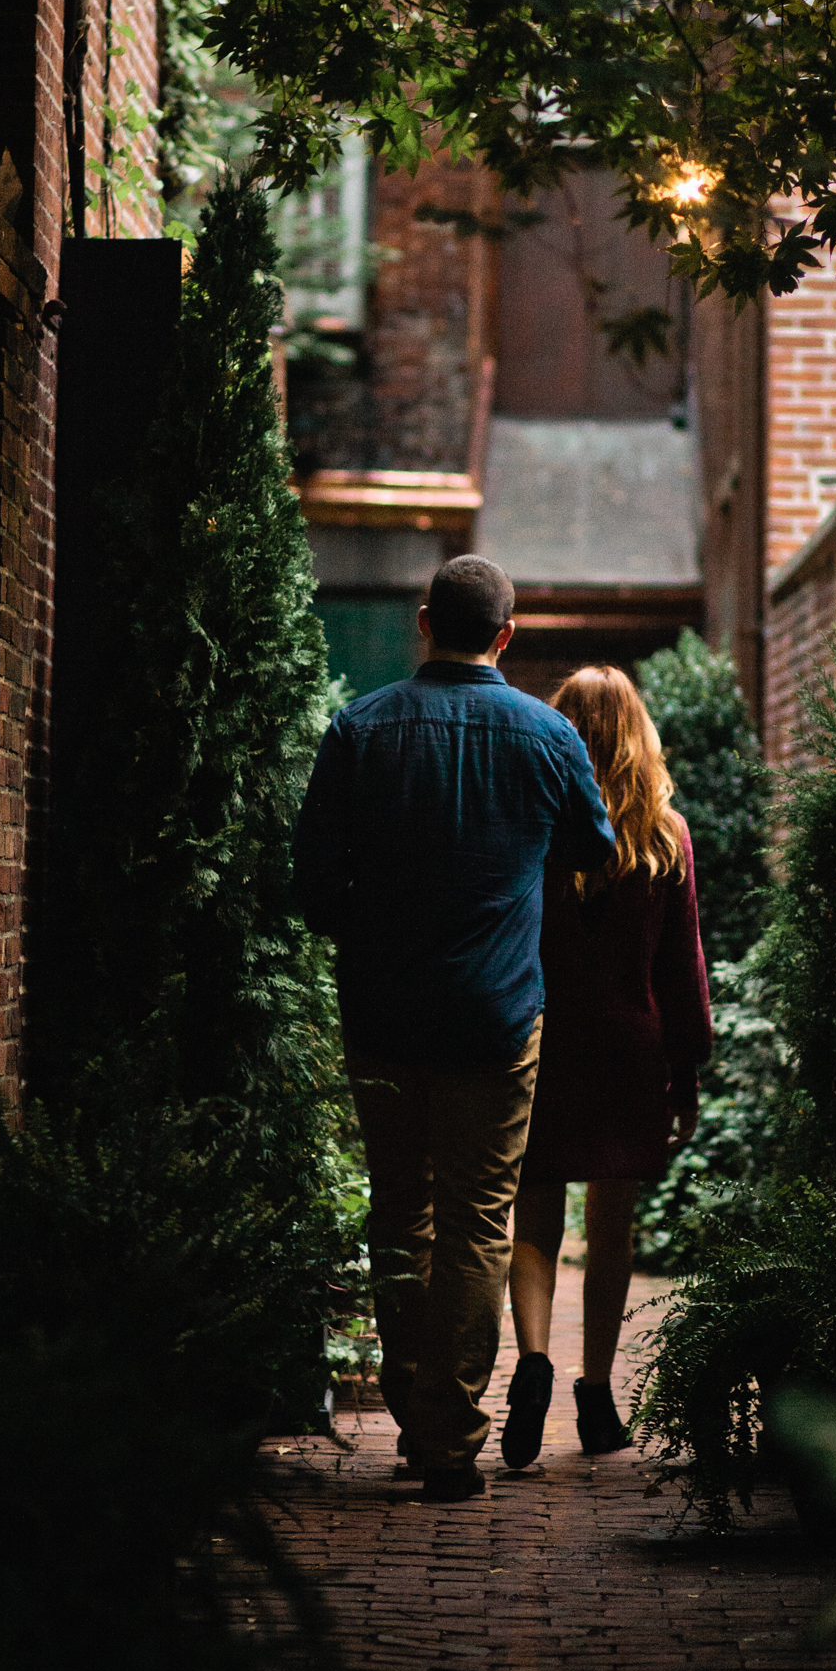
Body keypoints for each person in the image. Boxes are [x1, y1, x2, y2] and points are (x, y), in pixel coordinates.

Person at [290, 555, 616, 1503]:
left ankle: (417, 1414)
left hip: (384, 1009)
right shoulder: (547, 733)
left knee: (399, 1208)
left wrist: (373, 923)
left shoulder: (359, 727)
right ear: (506, 636)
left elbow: (310, 883)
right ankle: (449, 1434)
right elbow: (594, 848)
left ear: (425, 620)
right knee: (478, 1216)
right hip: (497, 1009)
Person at [500, 666, 713, 1468]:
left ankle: (530, 1362)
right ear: (638, 733)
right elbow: (681, 970)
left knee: (536, 1221)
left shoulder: (535, 826)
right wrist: (684, 1072)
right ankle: (595, 1394)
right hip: (630, 1048)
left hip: (545, 1039)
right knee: (612, 1228)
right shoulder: (666, 834)